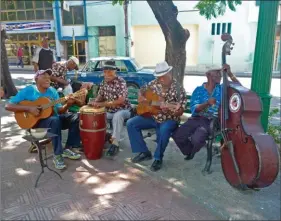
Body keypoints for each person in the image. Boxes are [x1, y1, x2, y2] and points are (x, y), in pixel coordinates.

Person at [5, 69, 83, 170]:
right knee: (55, 120)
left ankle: (68, 148)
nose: (47, 79)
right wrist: (29, 108)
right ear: (36, 79)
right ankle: (57, 155)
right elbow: (8, 106)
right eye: (44, 77)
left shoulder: (52, 91)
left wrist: (68, 104)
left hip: (53, 120)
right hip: (36, 125)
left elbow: (60, 110)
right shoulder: (29, 90)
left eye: (48, 77)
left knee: (76, 116)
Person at [126, 61, 187, 172]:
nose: (161, 79)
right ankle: (144, 152)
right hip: (152, 116)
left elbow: (180, 111)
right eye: (159, 77)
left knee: (164, 129)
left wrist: (171, 109)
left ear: (169, 73)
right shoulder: (154, 83)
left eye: (163, 76)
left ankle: (158, 158)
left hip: (169, 119)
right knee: (131, 123)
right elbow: (142, 90)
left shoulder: (178, 89)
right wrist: (141, 97)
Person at [172, 64, 241, 160]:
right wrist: (207, 103)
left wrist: (229, 73)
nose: (219, 75)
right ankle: (190, 151)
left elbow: (239, 87)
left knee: (197, 138)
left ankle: (196, 145)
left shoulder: (222, 88)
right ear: (208, 75)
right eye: (216, 73)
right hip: (197, 118)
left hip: (213, 120)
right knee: (177, 135)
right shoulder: (199, 90)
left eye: (220, 73)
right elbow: (195, 108)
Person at [89, 60, 132, 157]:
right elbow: (100, 96)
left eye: (110, 71)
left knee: (117, 116)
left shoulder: (121, 82)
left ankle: (115, 143)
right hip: (110, 110)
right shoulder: (104, 82)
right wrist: (95, 103)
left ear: (114, 71)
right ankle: (100, 138)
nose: (107, 73)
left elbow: (120, 101)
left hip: (124, 110)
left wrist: (102, 104)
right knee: (96, 115)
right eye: (105, 71)